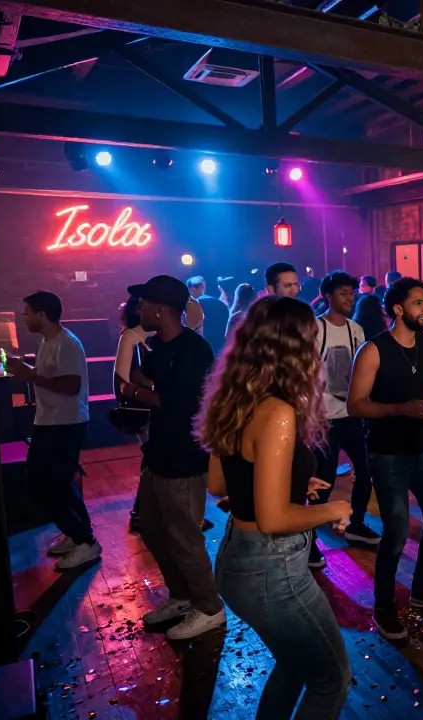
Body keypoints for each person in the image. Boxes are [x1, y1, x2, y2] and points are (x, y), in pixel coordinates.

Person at [200, 296, 353, 720]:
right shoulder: (279, 412)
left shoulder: (235, 398)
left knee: (295, 664)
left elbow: (219, 484)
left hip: (237, 557)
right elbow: (274, 519)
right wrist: (334, 509)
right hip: (272, 568)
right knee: (331, 679)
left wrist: (293, 482)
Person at [347, 277, 423, 640]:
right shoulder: (373, 351)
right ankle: (384, 605)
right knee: (395, 531)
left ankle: (422, 587)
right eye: (418, 303)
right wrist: (401, 409)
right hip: (387, 453)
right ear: (398, 309)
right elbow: (355, 405)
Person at [119, 275, 225, 640]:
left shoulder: (194, 349)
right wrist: (134, 367)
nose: (138, 309)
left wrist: (137, 392)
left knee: (184, 537)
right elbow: (140, 376)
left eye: (144, 303)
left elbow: (178, 403)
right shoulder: (158, 346)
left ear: (161, 309)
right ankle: (181, 597)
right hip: (159, 452)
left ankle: (209, 608)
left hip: (185, 455)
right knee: (151, 528)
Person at [5, 291, 99, 570]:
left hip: (66, 423)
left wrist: (30, 375)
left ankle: (85, 541)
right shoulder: (47, 340)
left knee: (43, 487)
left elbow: (71, 386)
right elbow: (51, 376)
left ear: (42, 314)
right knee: (57, 484)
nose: (23, 318)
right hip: (50, 422)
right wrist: (25, 369)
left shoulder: (67, 343)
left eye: (27, 313)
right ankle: (79, 534)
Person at [310, 271, 379, 565]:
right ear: (329, 296)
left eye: (352, 292)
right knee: (323, 479)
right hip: (324, 418)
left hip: (351, 414)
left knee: (365, 470)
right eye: (343, 293)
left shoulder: (356, 330)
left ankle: (356, 523)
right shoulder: (315, 328)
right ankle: (310, 540)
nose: (350, 298)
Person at [115, 294, 153, 531]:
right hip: (142, 407)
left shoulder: (155, 334)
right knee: (152, 459)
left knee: (154, 458)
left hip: (154, 406)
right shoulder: (130, 336)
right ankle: (140, 512)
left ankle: (143, 512)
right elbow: (121, 377)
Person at [187, 275, 229, 355]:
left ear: (191, 289)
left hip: (200, 348)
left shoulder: (192, 305)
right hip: (220, 347)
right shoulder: (220, 303)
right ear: (203, 287)